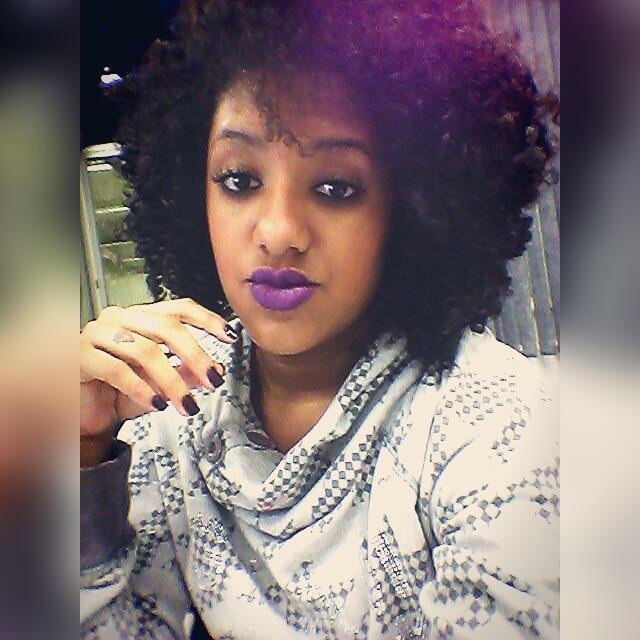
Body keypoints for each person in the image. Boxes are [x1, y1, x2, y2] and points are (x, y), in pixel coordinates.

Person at [80, 1, 559, 638]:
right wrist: (81, 455)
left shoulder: (504, 428)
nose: (279, 231)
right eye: (239, 178)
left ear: (413, 210)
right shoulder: (175, 412)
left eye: (335, 187)